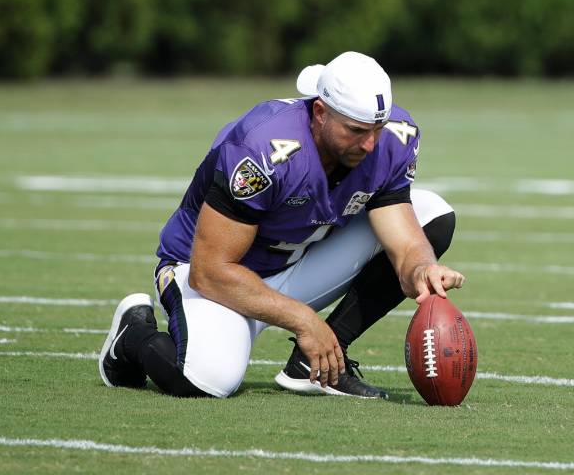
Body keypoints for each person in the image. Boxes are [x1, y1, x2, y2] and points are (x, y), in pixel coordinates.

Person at [98, 51, 465, 399]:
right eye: (355, 130)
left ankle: (317, 364)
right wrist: (305, 320)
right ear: (320, 113)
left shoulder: (393, 138)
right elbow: (210, 272)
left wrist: (421, 268)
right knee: (206, 380)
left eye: (376, 129)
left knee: (430, 213)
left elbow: (402, 235)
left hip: (295, 262)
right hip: (216, 276)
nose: (369, 144)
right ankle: (133, 336)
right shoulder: (262, 148)